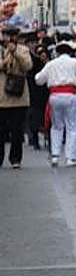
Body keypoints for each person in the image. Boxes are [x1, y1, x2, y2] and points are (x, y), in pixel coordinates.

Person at [34, 41, 76, 167]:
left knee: (56, 126)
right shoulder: (75, 62)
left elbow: (39, 80)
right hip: (70, 95)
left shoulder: (51, 64)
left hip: (54, 96)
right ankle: (71, 157)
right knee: (73, 126)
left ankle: (55, 156)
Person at [0, 21, 31, 169]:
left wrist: (15, 53)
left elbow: (27, 66)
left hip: (18, 96)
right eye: (6, 35)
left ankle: (15, 158)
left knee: (17, 130)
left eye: (12, 35)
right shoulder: (1, 50)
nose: (9, 38)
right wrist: (4, 62)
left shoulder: (23, 50)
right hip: (1, 97)